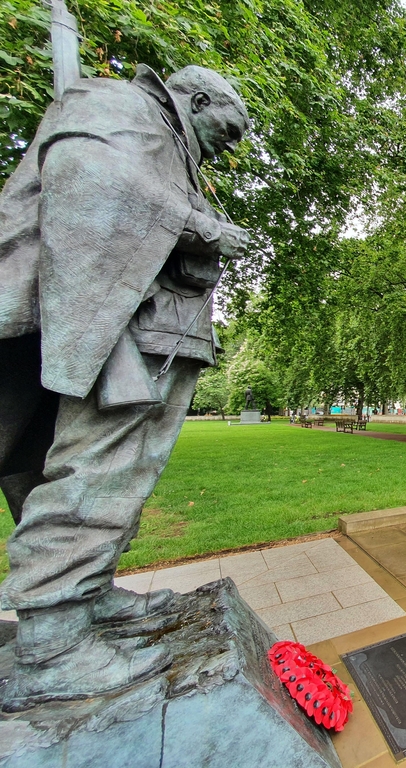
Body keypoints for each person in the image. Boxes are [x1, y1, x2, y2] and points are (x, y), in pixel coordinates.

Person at [0, 64, 250, 707]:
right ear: (196, 99)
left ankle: (87, 593)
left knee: (119, 470)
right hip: (115, 329)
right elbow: (97, 183)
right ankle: (53, 637)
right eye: (230, 126)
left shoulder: (162, 134)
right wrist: (210, 228)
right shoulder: (120, 107)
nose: (231, 144)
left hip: (149, 329)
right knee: (96, 467)